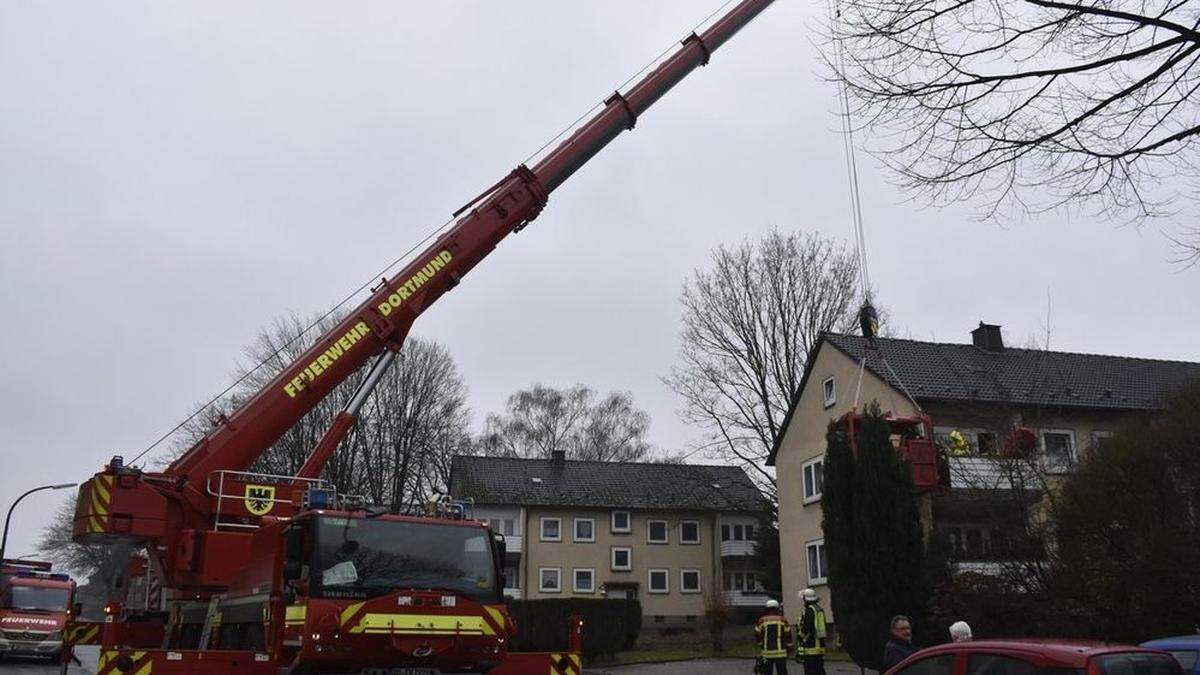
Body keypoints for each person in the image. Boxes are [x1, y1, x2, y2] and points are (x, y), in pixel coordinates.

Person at [755, 599, 794, 675]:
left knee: (767, 672)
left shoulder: (762, 620)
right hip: (781, 653)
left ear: (767, 608)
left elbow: (757, 634)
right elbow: (788, 636)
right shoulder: (783, 620)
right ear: (777, 608)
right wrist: (789, 648)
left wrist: (761, 645)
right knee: (782, 672)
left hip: (767, 653)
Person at [795, 588, 827, 675]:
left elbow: (807, 627)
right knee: (820, 671)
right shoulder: (819, 609)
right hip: (820, 646)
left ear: (806, 599)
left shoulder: (809, 610)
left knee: (810, 671)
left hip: (811, 647)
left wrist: (800, 637)